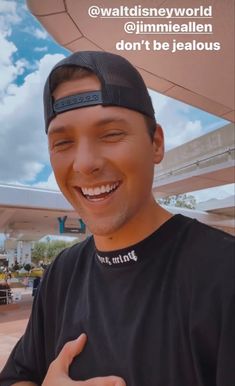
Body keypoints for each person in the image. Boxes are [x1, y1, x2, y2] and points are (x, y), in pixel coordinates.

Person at [0, 51, 234, 386]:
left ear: (155, 143)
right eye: (63, 141)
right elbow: (18, 376)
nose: (84, 164)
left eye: (110, 134)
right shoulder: (62, 273)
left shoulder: (224, 275)